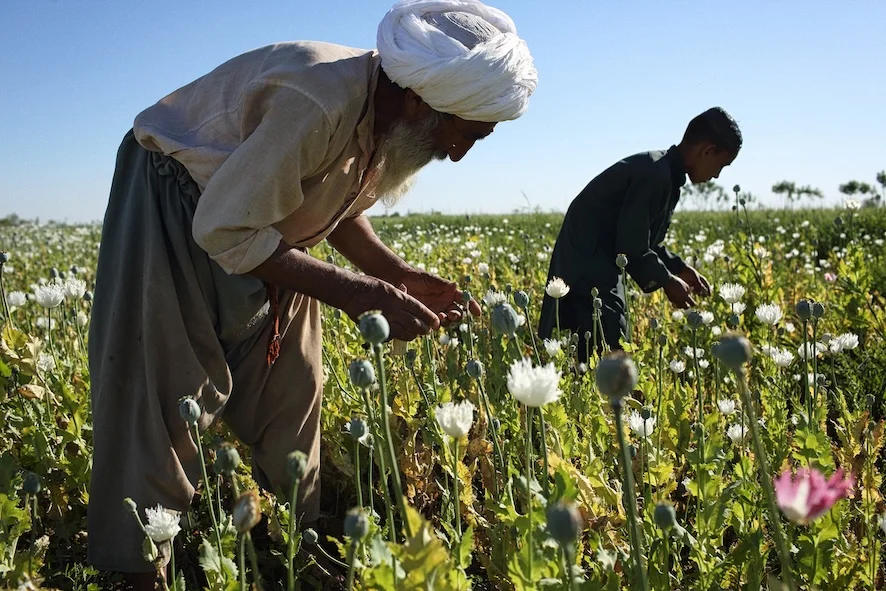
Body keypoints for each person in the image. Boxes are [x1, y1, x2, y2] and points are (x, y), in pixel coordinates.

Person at [86, 0, 536, 585]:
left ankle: (293, 548)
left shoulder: (383, 112)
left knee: (294, 383)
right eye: (465, 134)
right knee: (159, 392)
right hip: (176, 201)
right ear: (422, 100)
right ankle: (138, 572)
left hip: (263, 226)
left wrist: (393, 272)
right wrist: (355, 293)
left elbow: (327, 199)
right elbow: (223, 225)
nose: (457, 153)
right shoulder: (319, 99)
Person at [538, 107, 741, 355]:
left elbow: (643, 240)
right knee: (609, 346)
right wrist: (667, 282)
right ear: (707, 151)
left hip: (595, 259)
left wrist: (678, 268)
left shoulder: (662, 171)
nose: (717, 175)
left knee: (592, 347)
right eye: (721, 165)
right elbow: (631, 246)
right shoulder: (656, 176)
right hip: (587, 265)